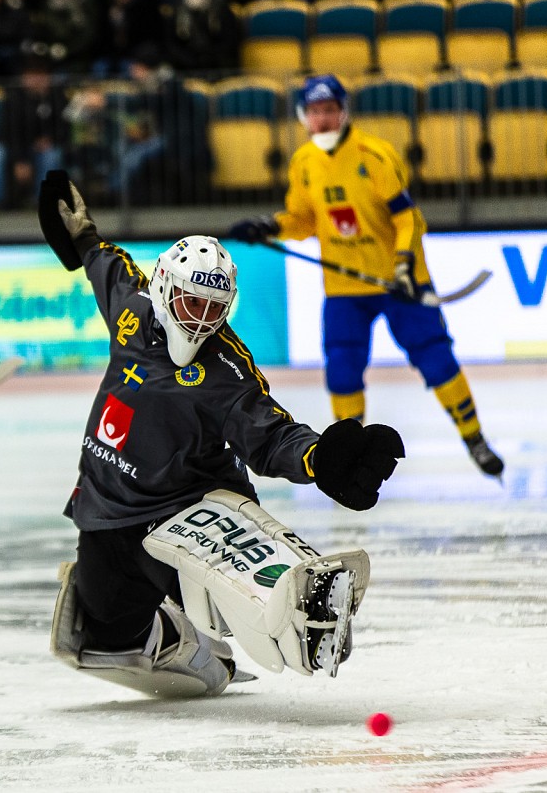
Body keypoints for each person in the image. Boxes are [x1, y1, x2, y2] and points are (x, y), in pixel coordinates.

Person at [41, 176, 404, 697]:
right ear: (165, 288)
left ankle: (297, 597)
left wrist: (320, 458)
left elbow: (271, 432)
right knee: (103, 638)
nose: (203, 320)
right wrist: (81, 238)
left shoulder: (226, 369)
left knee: (236, 607)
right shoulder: (129, 307)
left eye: (215, 309)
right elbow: (105, 264)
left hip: (190, 505)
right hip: (104, 507)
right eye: (192, 304)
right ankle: (187, 646)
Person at [227, 74, 504, 480]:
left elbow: (407, 218)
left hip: (399, 282)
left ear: (344, 112)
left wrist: (406, 264)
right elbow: (305, 220)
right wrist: (271, 226)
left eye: (330, 111)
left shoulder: (374, 155)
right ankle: (351, 456)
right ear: (305, 117)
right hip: (345, 289)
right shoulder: (304, 162)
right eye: (315, 113)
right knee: (341, 370)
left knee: (436, 359)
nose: (323, 121)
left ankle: (474, 438)